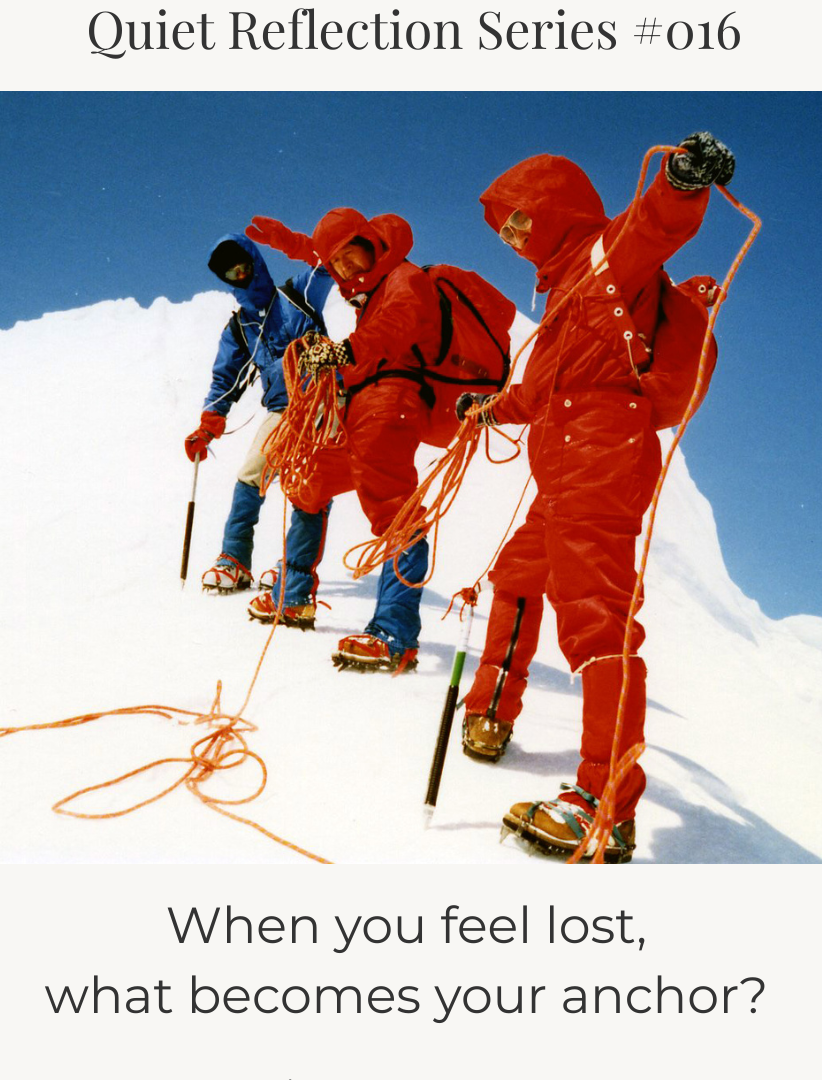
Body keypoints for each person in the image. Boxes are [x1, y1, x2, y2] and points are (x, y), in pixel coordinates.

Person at [453, 133, 736, 860]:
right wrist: (491, 409)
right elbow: (539, 390)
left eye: (521, 218)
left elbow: (657, 223)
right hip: (564, 461)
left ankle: (603, 804)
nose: (514, 237)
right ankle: (489, 710)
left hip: (603, 452)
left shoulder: (610, 256)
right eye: (505, 228)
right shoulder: (561, 299)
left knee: (593, 618)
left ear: (555, 208)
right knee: (517, 577)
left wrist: (679, 181)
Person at [245, 209, 444, 672]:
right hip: (360, 396)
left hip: (396, 393)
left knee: (391, 504)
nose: (344, 268)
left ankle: (395, 633)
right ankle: (294, 599)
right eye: (335, 263)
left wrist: (344, 351)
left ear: (369, 240)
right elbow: (321, 253)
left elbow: (400, 324)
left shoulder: (403, 277)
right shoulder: (366, 283)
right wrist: (287, 240)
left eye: (349, 253)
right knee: (310, 480)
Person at [184, 232, 334, 617]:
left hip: (323, 402)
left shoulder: (296, 294)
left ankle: (292, 567)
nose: (240, 274)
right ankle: (235, 561)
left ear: (255, 261)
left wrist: (304, 243)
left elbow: (330, 266)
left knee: (310, 484)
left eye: (243, 265)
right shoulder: (240, 327)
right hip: (282, 409)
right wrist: (208, 425)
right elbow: (225, 379)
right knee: (253, 473)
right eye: (231, 273)